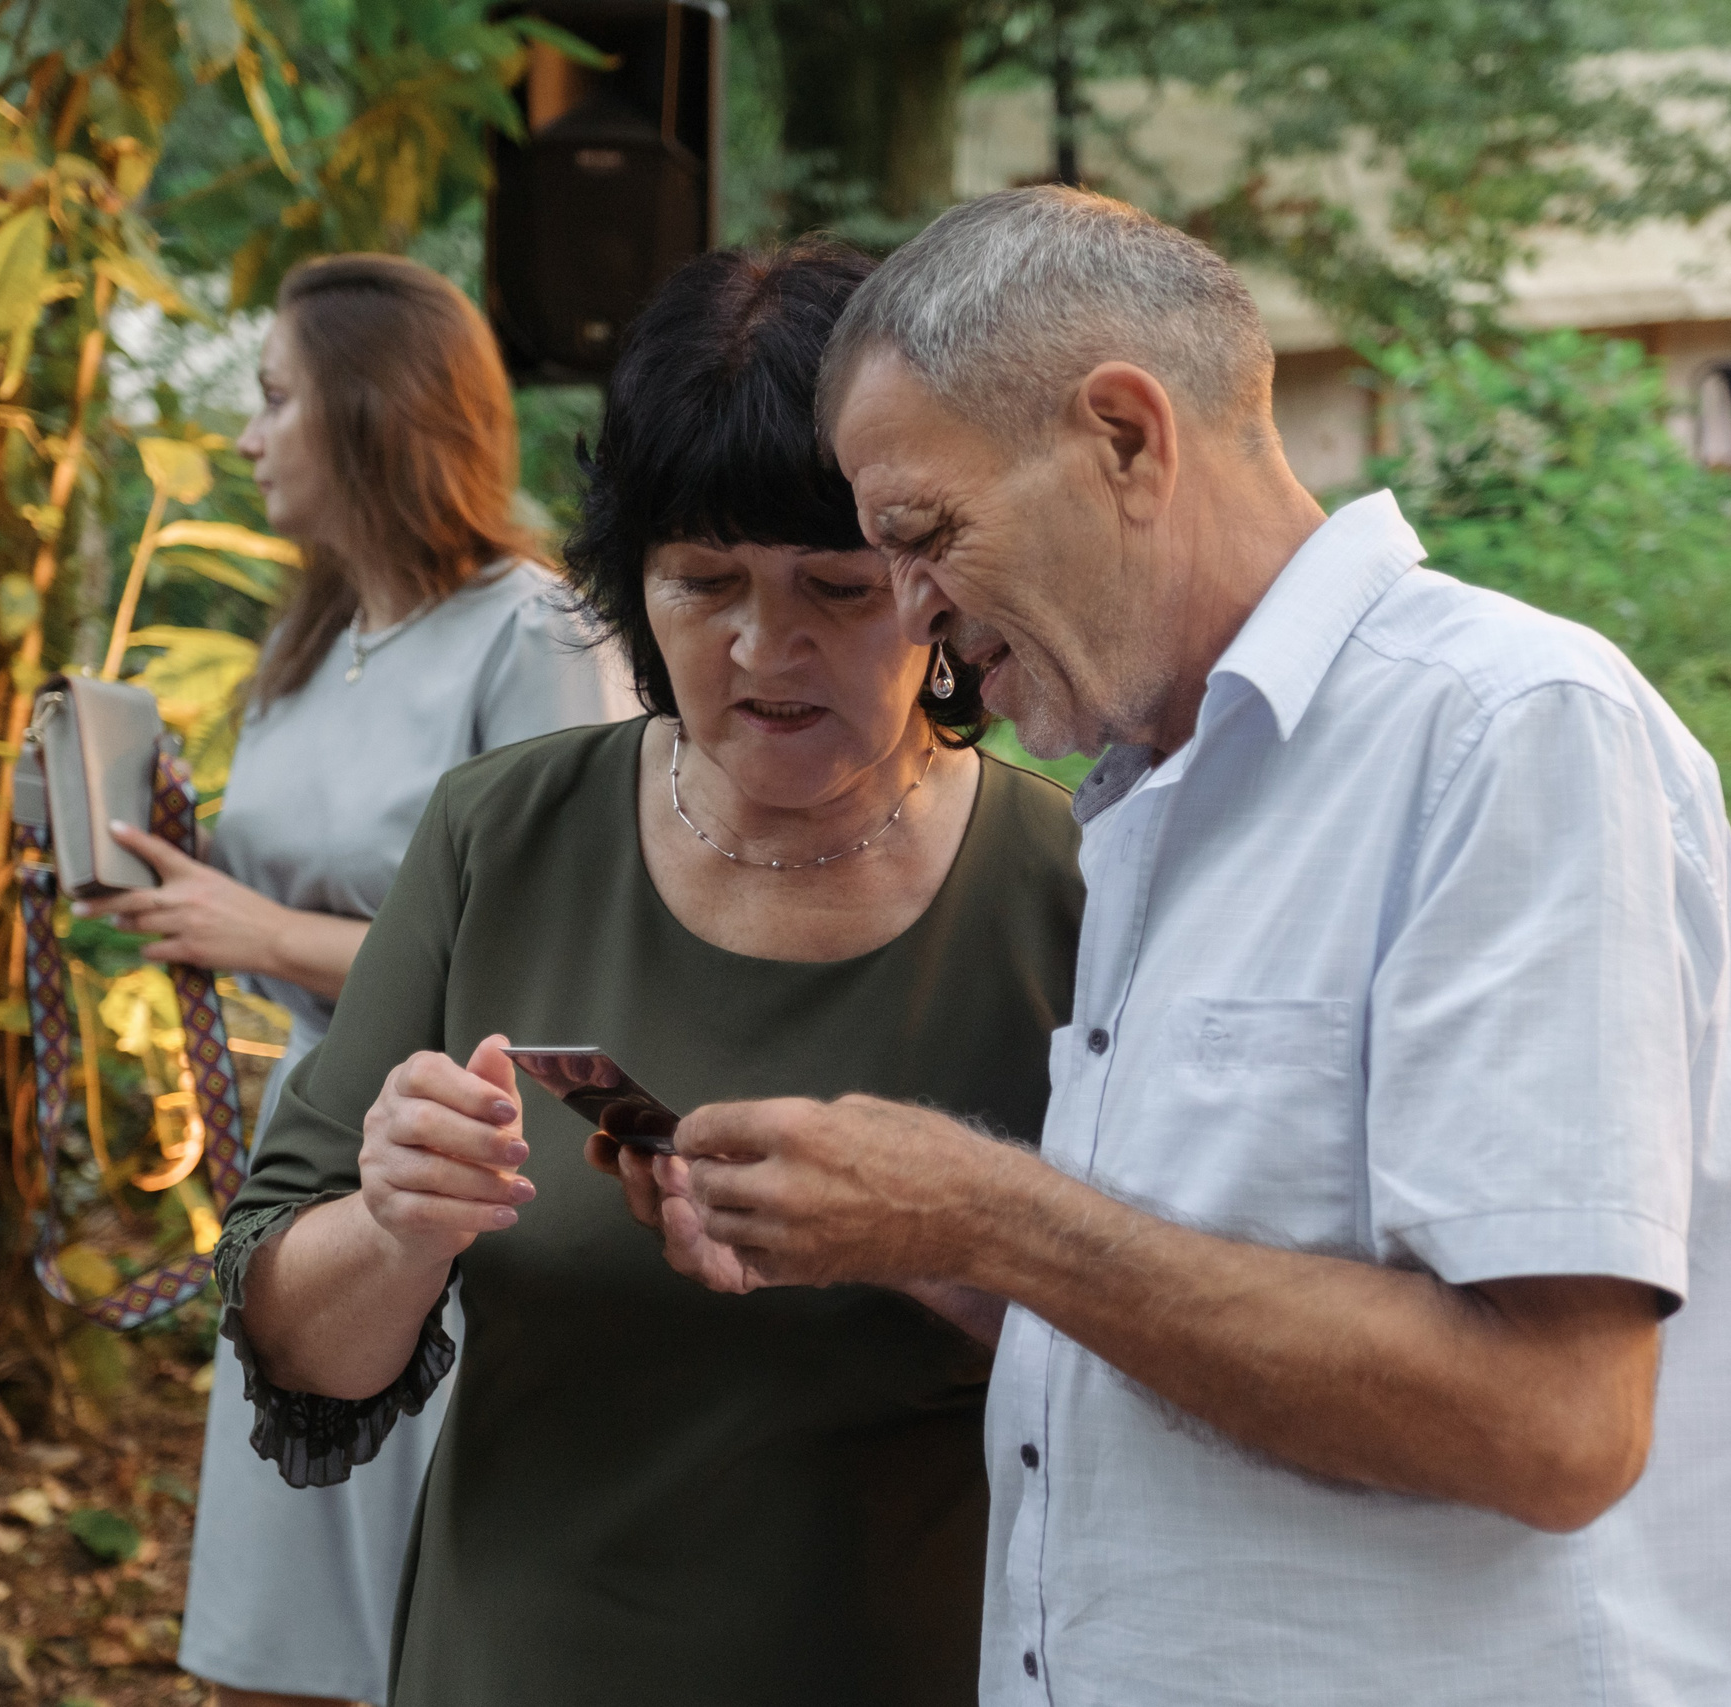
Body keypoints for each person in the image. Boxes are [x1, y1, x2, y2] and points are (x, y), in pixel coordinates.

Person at [664, 187, 1731, 1705]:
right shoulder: (1163, 786)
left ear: (1129, 440)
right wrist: (905, 1241)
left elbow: (1552, 1423)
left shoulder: (1504, 729)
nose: (909, 611)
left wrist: (991, 1218)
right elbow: (1204, 1311)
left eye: (922, 533)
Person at [209, 238, 1086, 1707]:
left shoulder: (1070, 887)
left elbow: (1181, 1353)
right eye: (701, 582)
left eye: (836, 586)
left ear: (945, 589)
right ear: (627, 585)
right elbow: (300, 1339)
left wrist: (939, 1240)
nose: (764, 645)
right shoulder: (502, 834)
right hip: (521, 1657)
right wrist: (394, 1224)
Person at [75, 254, 635, 1707]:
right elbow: (302, 894)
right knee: (286, 1640)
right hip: (314, 1164)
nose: (251, 435)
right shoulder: (312, 644)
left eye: (275, 400)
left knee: (435, 1636)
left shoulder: (541, 634)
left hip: (468, 1178)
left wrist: (256, 934)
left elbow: (557, 954)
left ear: (374, 411)